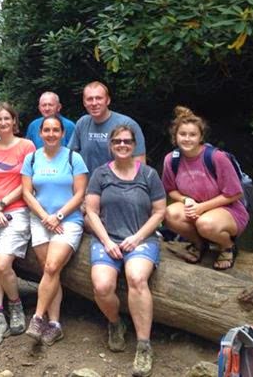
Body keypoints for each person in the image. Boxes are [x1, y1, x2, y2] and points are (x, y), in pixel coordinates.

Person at [85, 125, 166, 377]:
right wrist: (107, 241)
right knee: (102, 286)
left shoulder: (149, 174)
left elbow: (159, 212)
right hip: (107, 238)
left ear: (134, 144)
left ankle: (143, 345)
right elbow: (91, 211)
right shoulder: (100, 174)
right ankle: (115, 323)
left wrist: (137, 237)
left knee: (136, 277)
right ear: (110, 145)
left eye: (127, 141)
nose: (122, 145)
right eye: (117, 141)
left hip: (141, 238)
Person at [21, 115, 88, 346]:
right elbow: (27, 192)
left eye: (55, 130)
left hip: (68, 220)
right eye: (47, 130)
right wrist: (45, 217)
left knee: (51, 267)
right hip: (40, 219)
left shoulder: (73, 158)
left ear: (63, 133)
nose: (51, 134)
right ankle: (55, 324)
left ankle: (38, 318)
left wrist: (58, 216)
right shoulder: (31, 158)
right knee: (49, 271)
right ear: (40, 133)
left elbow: (80, 193)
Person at [162, 106, 248, 270]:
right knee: (168, 214)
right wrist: (186, 200)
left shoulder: (216, 157)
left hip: (227, 209)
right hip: (195, 207)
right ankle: (199, 244)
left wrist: (201, 208)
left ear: (201, 137)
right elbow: (171, 189)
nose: (187, 139)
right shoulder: (171, 160)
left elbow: (235, 194)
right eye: (182, 134)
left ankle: (227, 246)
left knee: (205, 224)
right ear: (175, 136)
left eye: (192, 135)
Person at [0, 103, 36, 348]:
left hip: (16, 210)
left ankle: (15, 305)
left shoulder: (26, 146)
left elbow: (26, 184)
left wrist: (2, 204)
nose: (2, 123)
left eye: (6, 119)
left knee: (2, 264)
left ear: (14, 121)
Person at [69, 81, 146, 172]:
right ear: (84, 102)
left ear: (108, 100)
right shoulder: (82, 123)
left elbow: (139, 164)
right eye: (89, 99)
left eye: (99, 98)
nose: (94, 103)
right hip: (88, 180)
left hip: (119, 180)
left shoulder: (127, 124)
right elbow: (71, 156)